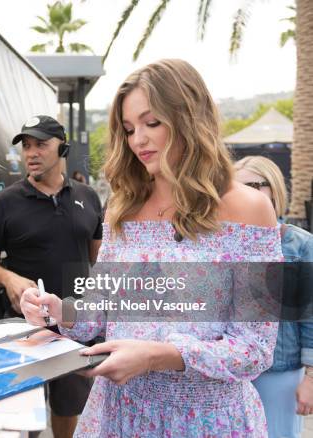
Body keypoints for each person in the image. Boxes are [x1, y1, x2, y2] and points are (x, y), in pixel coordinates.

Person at [20, 59, 282, 437]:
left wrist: (159, 357)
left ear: (190, 118)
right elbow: (99, 312)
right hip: (118, 416)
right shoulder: (122, 207)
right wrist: (59, 310)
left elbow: (255, 349)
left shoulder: (251, 209)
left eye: (152, 123)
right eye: (128, 129)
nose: (138, 139)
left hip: (207, 422)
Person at [0, 115, 103, 438]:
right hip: (25, 329)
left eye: (41, 144)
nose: (31, 152)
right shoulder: (5, 202)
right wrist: (9, 279)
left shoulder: (88, 198)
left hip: (75, 326)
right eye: (26, 146)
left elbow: (99, 260)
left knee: (68, 409)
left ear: (63, 149)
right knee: (23, 418)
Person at [235, 155, 313, 438]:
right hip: (229, 372)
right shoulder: (220, 242)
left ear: (275, 189)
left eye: (256, 185)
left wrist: (311, 379)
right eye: (236, 186)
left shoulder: (300, 244)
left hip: (280, 371)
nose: (247, 193)